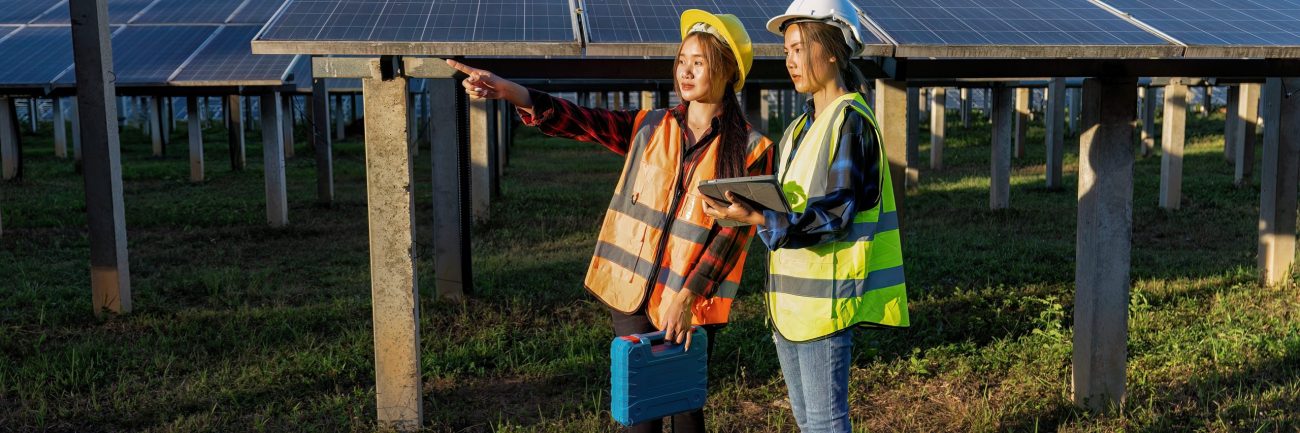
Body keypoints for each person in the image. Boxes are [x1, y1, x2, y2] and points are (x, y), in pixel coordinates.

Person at [446, 9, 774, 433]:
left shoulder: (751, 147)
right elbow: (583, 122)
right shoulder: (651, 125)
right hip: (630, 293)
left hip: (691, 302)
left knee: (684, 407)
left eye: (699, 62)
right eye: (682, 60)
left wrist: (687, 296)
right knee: (641, 408)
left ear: (728, 70)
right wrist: (511, 92)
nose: (686, 72)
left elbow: (731, 237)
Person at [700, 0, 910, 431]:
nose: (790, 62)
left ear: (832, 50)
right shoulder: (798, 128)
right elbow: (788, 207)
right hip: (788, 307)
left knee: (826, 423)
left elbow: (836, 213)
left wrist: (761, 219)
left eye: (798, 49)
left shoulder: (850, 123)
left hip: (825, 306)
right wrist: (744, 212)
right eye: (787, 52)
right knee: (807, 421)